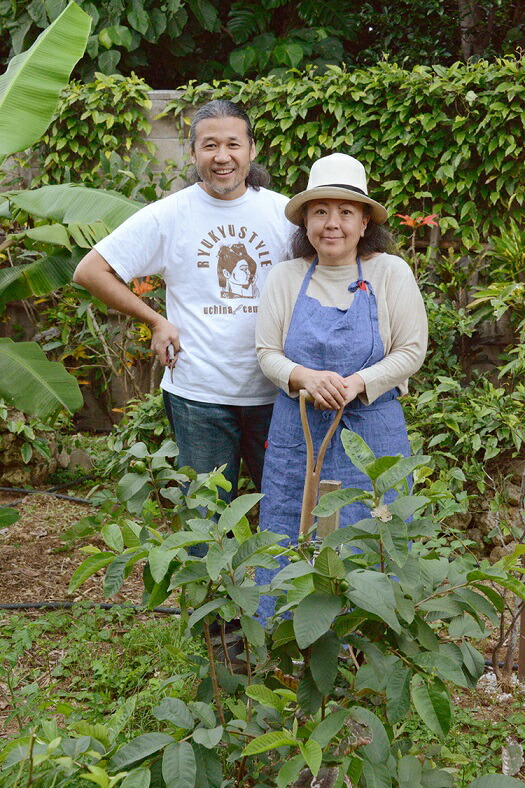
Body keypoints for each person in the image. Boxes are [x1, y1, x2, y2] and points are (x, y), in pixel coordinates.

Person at [73, 99, 292, 500]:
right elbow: (90, 270)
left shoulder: (284, 213)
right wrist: (155, 320)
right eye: (209, 146)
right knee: (206, 521)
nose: (222, 157)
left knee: (286, 509)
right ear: (192, 154)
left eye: (233, 144)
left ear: (252, 150)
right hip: (199, 396)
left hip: (276, 392)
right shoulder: (169, 215)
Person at [255, 152, 428, 621]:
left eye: (345, 212)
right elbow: (267, 352)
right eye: (320, 211)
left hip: (373, 433)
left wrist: (357, 383)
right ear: (306, 221)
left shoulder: (390, 273)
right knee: (292, 526)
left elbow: (411, 350)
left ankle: (371, 636)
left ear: (365, 221)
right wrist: (306, 377)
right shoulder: (286, 277)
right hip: (299, 433)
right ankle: (285, 643)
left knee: (374, 528)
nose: (332, 224)